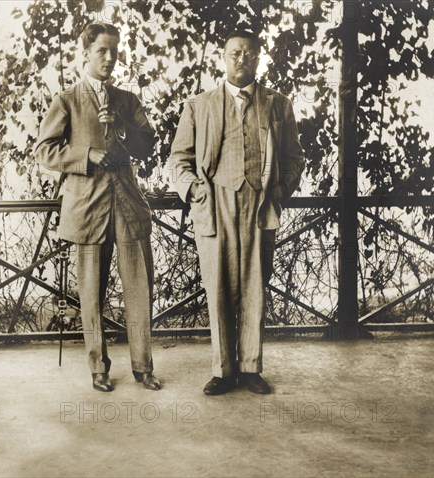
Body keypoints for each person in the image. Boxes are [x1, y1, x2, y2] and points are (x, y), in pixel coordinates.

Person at [168, 30, 304, 395]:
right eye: (234, 53)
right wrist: (193, 189)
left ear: (258, 58)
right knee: (218, 288)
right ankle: (223, 370)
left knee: (254, 287)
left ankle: (251, 368)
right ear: (222, 57)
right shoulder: (199, 105)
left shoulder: (278, 104)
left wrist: (280, 190)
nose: (241, 59)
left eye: (248, 52)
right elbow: (178, 159)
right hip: (214, 204)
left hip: (260, 205)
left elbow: (294, 159)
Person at [34, 22, 161, 392]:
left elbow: (147, 146)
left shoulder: (127, 101)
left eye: (114, 51)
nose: (109, 58)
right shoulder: (67, 101)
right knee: (91, 293)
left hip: (128, 205)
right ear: (86, 52)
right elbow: (44, 150)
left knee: (140, 288)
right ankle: (98, 368)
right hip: (88, 208)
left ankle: (143, 367)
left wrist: (121, 128)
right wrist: (86, 154)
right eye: (102, 51)